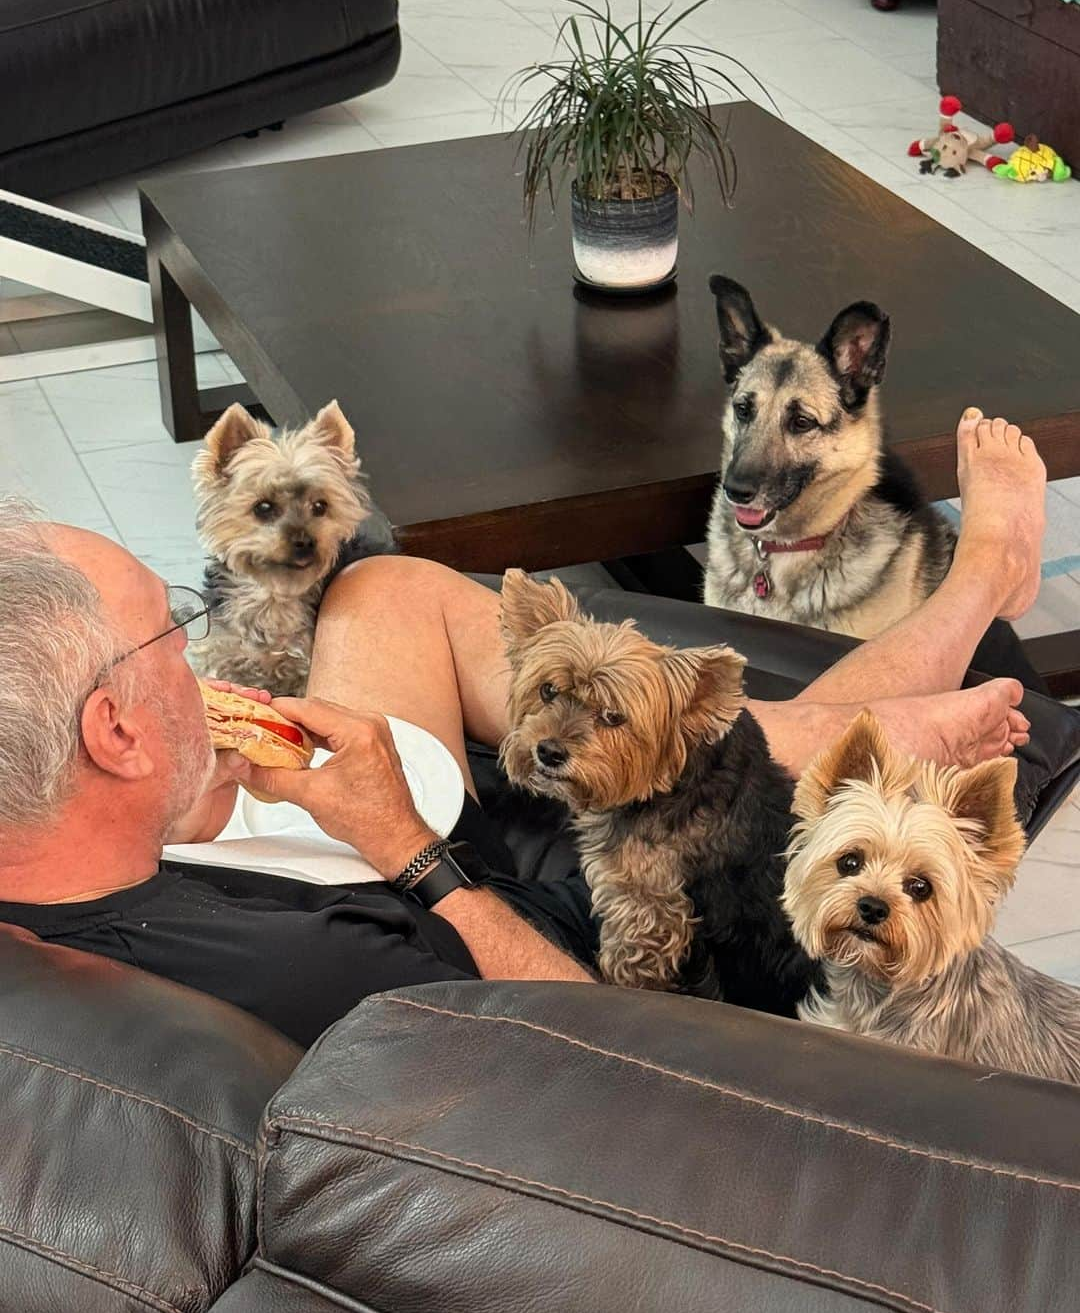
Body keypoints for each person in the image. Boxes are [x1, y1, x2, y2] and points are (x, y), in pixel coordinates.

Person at [0, 411, 1044, 1047]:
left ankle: (779, 726)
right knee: (659, 728)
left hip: (249, 830)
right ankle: (981, 580)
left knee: (386, 587)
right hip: (430, 882)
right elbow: (599, 1037)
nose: (195, 651)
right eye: (172, 639)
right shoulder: (301, 975)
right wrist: (406, 848)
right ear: (115, 735)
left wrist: (189, 796)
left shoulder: (49, 851)